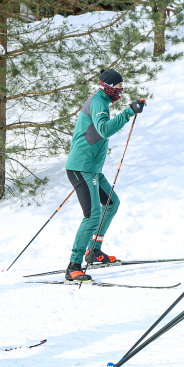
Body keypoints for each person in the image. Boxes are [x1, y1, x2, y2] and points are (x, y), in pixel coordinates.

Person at [63, 69, 146, 282]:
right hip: (82, 167)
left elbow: (93, 134)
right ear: (107, 86)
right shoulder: (98, 102)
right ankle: (73, 266)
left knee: (112, 203)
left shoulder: (100, 101)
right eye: (118, 87)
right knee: (92, 216)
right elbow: (103, 130)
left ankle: (94, 250)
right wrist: (128, 112)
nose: (120, 90)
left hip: (91, 168)